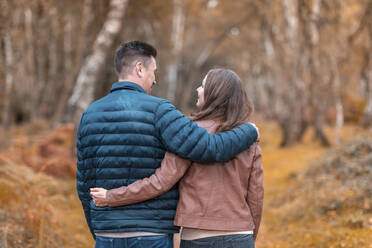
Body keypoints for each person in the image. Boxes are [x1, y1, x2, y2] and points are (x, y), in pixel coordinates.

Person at [76, 41, 259, 248]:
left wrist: (100, 223)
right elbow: (211, 147)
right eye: (154, 71)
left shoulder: (89, 114)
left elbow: (84, 184)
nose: (154, 80)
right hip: (152, 233)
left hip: (106, 233)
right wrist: (250, 130)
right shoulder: (161, 111)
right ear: (139, 68)